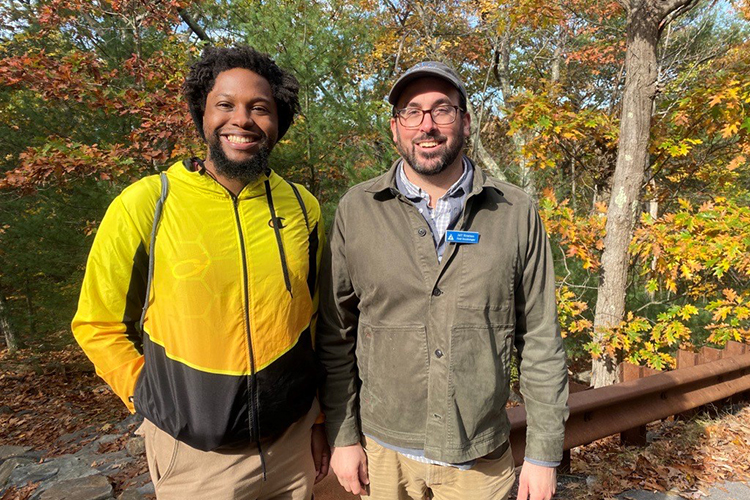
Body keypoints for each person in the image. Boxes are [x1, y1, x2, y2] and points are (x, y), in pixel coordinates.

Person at [72, 45, 328, 500]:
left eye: (260, 108)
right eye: (225, 105)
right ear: (202, 115)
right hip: (196, 461)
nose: (243, 120)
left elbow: (316, 322)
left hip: (292, 448)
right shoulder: (147, 204)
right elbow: (97, 323)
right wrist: (146, 396)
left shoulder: (302, 206)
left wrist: (320, 420)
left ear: (277, 123)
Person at [316, 61, 569, 500]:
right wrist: (342, 435)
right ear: (395, 128)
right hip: (383, 453)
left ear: (465, 122)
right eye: (412, 112)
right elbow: (335, 335)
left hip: (480, 458)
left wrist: (544, 454)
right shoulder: (356, 211)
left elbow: (542, 340)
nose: (427, 126)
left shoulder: (514, 212)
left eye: (442, 110)